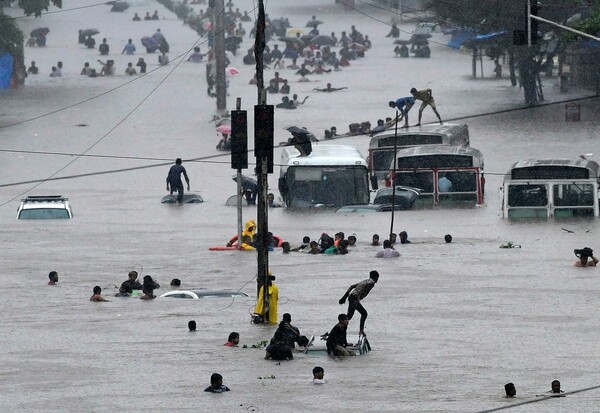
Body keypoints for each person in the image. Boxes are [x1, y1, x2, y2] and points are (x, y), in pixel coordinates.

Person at [338, 270, 379, 335]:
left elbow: (352, 286)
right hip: (354, 298)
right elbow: (361, 289)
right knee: (364, 314)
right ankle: (361, 331)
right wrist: (357, 298)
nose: (377, 280)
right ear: (376, 277)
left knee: (349, 316)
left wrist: (344, 297)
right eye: (377, 278)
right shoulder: (371, 282)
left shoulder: (365, 281)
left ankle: (338, 328)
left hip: (352, 297)